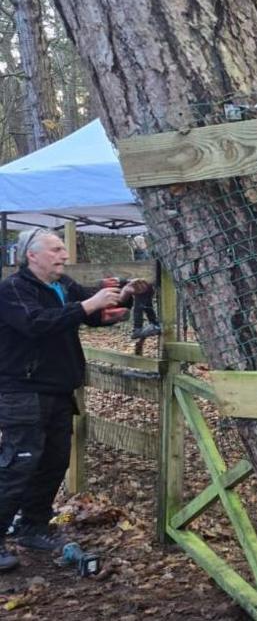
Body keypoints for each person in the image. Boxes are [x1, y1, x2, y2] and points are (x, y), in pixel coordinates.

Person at [0, 228, 149, 571]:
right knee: (18, 465)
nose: (63, 255)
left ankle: (33, 527)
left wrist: (124, 295)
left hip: (59, 391)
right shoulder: (13, 290)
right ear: (31, 255)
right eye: (55, 250)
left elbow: (93, 314)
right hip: (23, 392)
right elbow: (35, 324)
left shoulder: (63, 285)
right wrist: (88, 304)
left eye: (63, 250)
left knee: (53, 462)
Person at [128, 235, 160, 339]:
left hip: (144, 284)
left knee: (139, 307)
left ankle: (138, 328)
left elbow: (141, 269)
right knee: (146, 306)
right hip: (146, 285)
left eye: (135, 242)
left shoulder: (142, 253)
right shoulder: (143, 253)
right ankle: (154, 323)